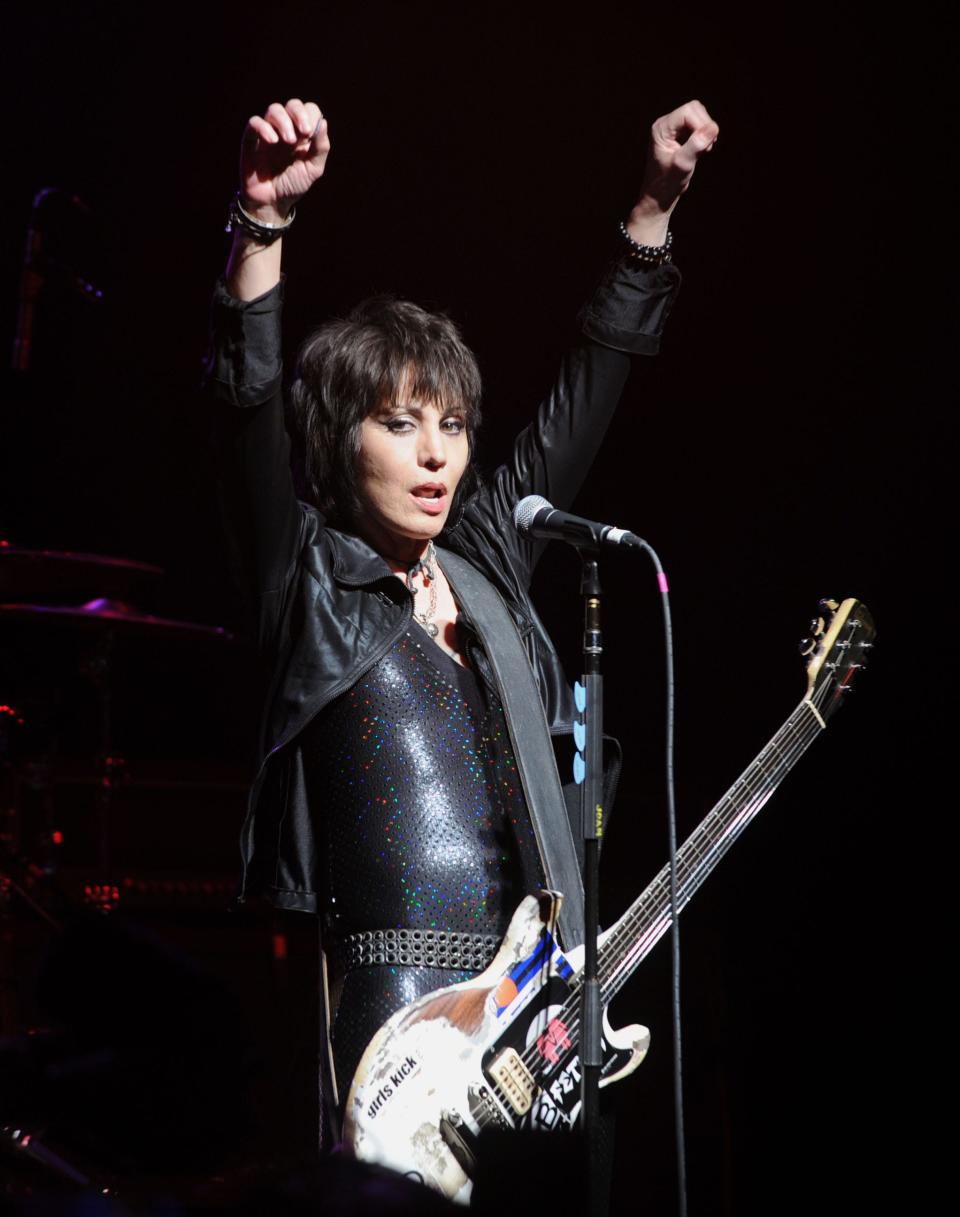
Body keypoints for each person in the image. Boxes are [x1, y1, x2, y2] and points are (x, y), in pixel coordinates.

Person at [206, 95, 717, 1156]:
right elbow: (245, 405)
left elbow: (586, 393)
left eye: (451, 423)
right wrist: (262, 227)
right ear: (342, 445)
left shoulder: (486, 560)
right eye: (400, 424)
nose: (438, 452)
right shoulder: (305, 578)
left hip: (525, 1025)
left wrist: (652, 213)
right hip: (390, 1022)